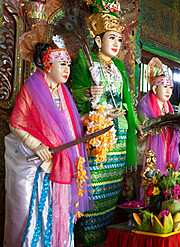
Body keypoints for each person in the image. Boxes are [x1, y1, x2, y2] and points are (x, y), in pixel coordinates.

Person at [5, 28, 93, 247]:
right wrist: (37, 145)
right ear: (47, 64)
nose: (67, 69)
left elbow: (66, 125)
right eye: (61, 64)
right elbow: (16, 122)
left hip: (61, 161)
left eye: (68, 64)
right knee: (35, 212)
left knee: (59, 212)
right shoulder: (32, 89)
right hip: (39, 164)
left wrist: (92, 119)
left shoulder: (63, 92)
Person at [71, 1, 143, 244]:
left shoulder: (120, 66)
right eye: (111, 38)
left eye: (119, 40)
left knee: (112, 188)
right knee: (94, 185)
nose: (116, 44)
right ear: (98, 40)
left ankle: (105, 235)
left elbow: (128, 100)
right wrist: (89, 92)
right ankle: (86, 235)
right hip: (97, 132)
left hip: (120, 132)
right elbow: (73, 94)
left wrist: (135, 123)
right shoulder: (86, 60)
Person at [137, 57, 180, 171]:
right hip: (151, 152)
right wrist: (161, 120)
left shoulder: (168, 107)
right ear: (155, 89)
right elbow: (143, 128)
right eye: (165, 87)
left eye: (171, 87)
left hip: (167, 149)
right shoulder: (144, 106)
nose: (168, 91)